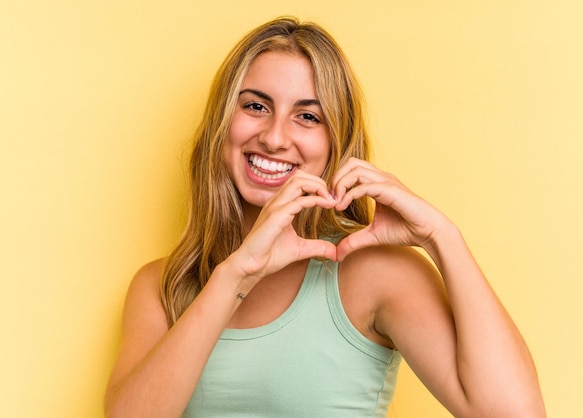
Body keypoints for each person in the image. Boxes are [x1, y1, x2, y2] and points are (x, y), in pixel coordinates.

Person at [104, 17, 545, 418]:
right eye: (255, 106)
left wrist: (441, 236)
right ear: (223, 124)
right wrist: (236, 274)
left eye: (308, 116)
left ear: (337, 142)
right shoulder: (164, 286)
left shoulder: (376, 273)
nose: (275, 137)